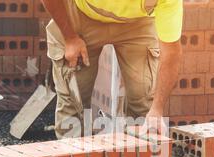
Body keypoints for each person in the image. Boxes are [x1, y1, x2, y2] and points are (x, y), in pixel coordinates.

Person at [42, 0, 183, 139]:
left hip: (137, 22)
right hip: (82, 14)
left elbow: (171, 52)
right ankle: (73, 156)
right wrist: (70, 37)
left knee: (144, 100)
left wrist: (157, 110)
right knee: (74, 100)